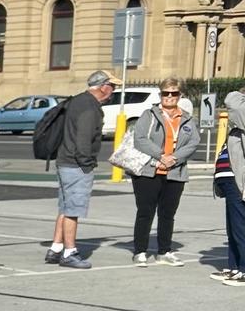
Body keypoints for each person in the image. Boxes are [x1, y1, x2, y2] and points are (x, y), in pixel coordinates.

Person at [45, 69, 119, 269]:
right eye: (112, 87)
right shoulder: (90, 107)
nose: (113, 91)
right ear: (103, 87)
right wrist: (87, 163)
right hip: (76, 165)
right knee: (73, 210)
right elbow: (83, 139)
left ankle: (55, 248)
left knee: (65, 206)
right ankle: (70, 252)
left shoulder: (77, 100)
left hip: (64, 161)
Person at [129, 77, 199, 267]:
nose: (169, 97)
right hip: (149, 172)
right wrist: (161, 156)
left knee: (168, 214)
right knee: (145, 212)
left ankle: (164, 251)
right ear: (160, 95)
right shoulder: (149, 114)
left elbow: (194, 141)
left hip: (175, 172)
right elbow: (140, 139)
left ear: (180, 95)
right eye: (166, 93)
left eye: (174, 93)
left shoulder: (187, 118)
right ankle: (140, 251)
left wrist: (175, 158)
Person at [212, 90, 245, 285]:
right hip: (230, 181)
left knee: (240, 226)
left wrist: (241, 92)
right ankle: (234, 266)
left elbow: (232, 101)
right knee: (233, 226)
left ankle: (244, 269)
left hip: (239, 182)